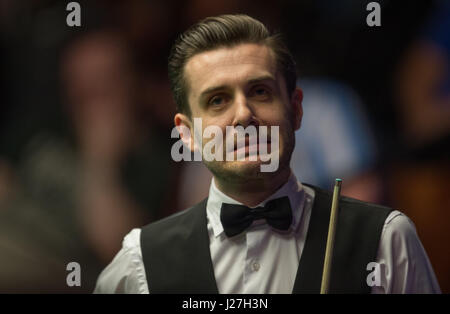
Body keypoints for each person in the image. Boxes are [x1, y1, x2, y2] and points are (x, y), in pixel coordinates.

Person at [94, 14, 440, 294]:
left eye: (260, 91)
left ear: (296, 109)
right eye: (217, 100)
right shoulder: (139, 264)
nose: (243, 114)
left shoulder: (385, 240)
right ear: (187, 134)